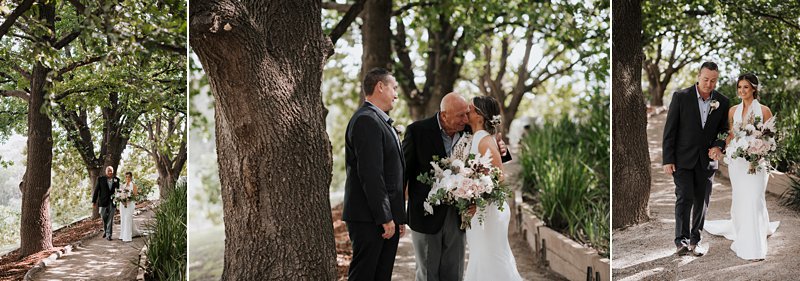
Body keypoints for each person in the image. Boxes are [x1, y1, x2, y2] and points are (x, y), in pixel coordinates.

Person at [403, 92, 512, 281]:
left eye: (467, 113)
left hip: (458, 214)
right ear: (444, 115)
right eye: (460, 115)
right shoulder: (417, 131)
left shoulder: (469, 131)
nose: (465, 118)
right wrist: (396, 211)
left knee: (455, 272)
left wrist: (503, 149)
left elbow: (489, 156)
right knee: (427, 274)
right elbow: (403, 173)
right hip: (426, 214)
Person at [704, 73, 780, 260]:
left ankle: (754, 241)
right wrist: (720, 149)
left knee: (755, 198)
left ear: (753, 88)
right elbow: (730, 135)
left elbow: (771, 138)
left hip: (757, 162)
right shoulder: (732, 111)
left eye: (746, 87)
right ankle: (743, 228)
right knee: (740, 198)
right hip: (737, 163)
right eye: (739, 87)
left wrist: (760, 150)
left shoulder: (764, 111)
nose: (742, 91)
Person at [343, 68, 406, 281]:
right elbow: (371, 174)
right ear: (380, 87)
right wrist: (385, 216)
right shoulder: (366, 120)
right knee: (364, 276)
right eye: (394, 88)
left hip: (384, 217)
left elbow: (392, 174)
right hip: (369, 218)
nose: (396, 94)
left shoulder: (380, 120)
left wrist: (397, 216)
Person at [662, 61, 730, 256]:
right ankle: (681, 241)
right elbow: (670, 131)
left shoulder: (722, 101)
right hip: (682, 159)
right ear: (699, 77)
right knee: (684, 197)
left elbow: (724, 130)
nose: (709, 84)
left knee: (702, 201)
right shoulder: (680, 97)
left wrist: (718, 146)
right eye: (706, 79)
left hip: (707, 162)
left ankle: (696, 240)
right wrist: (668, 159)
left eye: (713, 81)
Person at [462, 96, 522, 281]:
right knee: (482, 257)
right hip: (481, 209)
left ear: (480, 117)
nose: (466, 109)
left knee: (491, 258)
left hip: (488, 211)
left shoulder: (484, 141)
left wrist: (476, 198)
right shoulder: (476, 138)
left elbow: (499, 177)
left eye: (470, 108)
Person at [92, 166, 120, 241]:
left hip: (113, 201)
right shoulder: (100, 179)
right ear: (106, 172)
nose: (110, 172)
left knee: (110, 219)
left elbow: (118, 191)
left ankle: (109, 235)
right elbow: (96, 190)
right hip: (103, 201)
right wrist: (94, 201)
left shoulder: (116, 180)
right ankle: (105, 230)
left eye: (111, 171)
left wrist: (118, 199)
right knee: (103, 217)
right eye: (108, 171)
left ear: (113, 171)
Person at [118, 172, 142, 242]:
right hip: (123, 205)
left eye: (129, 177)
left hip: (130, 204)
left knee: (128, 218)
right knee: (123, 219)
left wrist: (128, 199)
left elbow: (135, 196)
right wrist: (122, 200)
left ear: (131, 177)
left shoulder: (133, 185)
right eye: (126, 177)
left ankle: (127, 237)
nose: (127, 178)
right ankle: (123, 235)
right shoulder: (122, 186)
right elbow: (120, 195)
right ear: (125, 177)